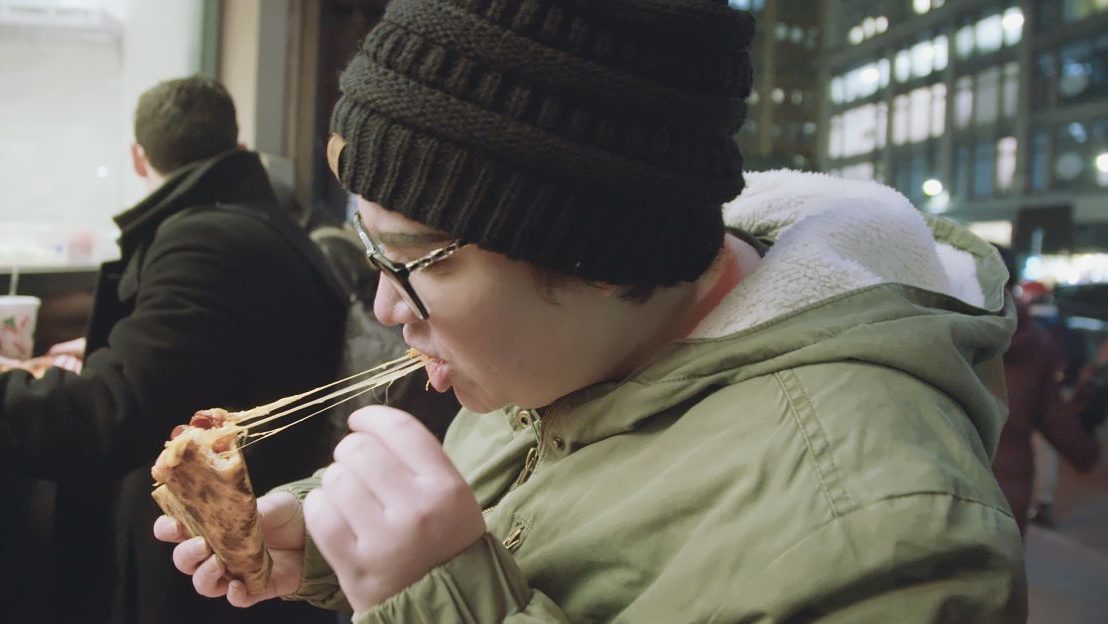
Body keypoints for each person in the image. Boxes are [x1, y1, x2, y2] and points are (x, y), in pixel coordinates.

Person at [158, 2, 1026, 621]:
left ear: (598, 257)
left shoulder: (884, 533)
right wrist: (335, 541)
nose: (388, 304)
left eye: (417, 258)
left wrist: (439, 600)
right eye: (369, 248)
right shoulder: (562, 353)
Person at [0, 76, 347, 624]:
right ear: (237, 146)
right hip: (257, 532)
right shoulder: (258, 222)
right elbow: (182, 359)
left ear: (139, 159)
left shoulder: (203, 239)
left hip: (210, 567)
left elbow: (113, 411)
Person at [990, 247, 1100, 536]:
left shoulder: (932, 334)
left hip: (934, 493)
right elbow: (1058, 423)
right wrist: (1088, 441)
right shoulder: (1036, 343)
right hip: (1004, 503)